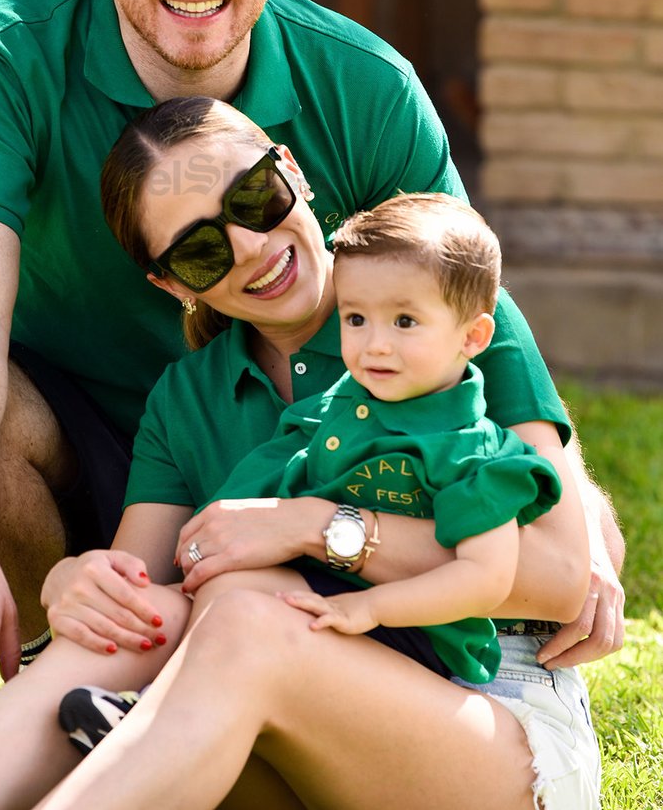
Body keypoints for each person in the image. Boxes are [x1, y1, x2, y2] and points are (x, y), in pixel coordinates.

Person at [0, 0, 624, 728]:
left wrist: (565, 494)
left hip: (268, 469)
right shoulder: (1, 52)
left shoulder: (365, 87)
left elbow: (471, 302)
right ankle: (46, 684)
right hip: (78, 451)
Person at [0, 97, 602, 810]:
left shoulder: (435, 310)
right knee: (129, 625)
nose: (252, 246)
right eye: (201, 249)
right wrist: (78, 582)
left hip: (490, 709)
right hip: (282, 697)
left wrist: (312, 525)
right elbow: (143, 597)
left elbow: (561, 575)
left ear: (290, 169)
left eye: (255, 196)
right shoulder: (188, 395)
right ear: (172, 282)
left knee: (243, 610)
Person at [206, 192, 563, 685]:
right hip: (323, 603)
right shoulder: (330, 414)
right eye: (356, 319)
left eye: (404, 321)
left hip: (416, 640)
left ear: (473, 338)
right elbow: (254, 497)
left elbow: (485, 579)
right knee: (229, 590)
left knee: (244, 606)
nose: (375, 343)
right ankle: (159, 707)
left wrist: (371, 607)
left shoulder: (471, 451)